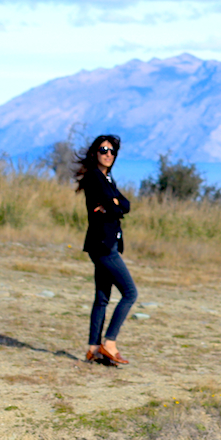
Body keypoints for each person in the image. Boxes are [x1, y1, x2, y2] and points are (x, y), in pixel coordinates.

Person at [75, 134, 137, 366]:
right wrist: (114, 205)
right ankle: (109, 343)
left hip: (106, 243)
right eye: (104, 150)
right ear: (95, 153)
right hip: (102, 245)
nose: (108, 154)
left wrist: (114, 205)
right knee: (130, 293)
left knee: (102, 298)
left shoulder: (106, 178)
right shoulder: (94, 177)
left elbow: (125, 206)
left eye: (112, 151)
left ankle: (93, 349)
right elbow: (114, 208)